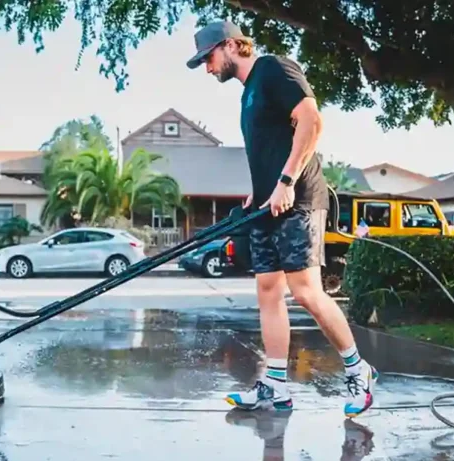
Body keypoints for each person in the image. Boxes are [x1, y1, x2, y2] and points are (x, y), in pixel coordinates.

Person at [185, 21, 378, 418]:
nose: (207, 68)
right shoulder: (248, 95)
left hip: (300, 198)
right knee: (268, 292)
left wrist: (287, 181)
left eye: (209, 58)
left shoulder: (274, 69)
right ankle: (274, 386)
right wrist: (260, 191)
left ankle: (360, 370)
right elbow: (272, 146)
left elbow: (312, 121)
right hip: (268, 204)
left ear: (232, 45)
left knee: (305, 291)